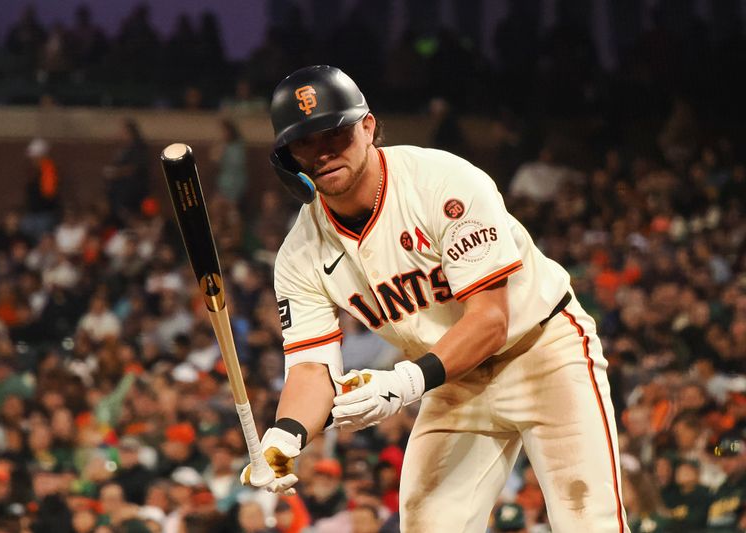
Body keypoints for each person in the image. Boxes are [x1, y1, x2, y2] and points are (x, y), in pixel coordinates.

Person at [240, 64, 628, 532]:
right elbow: (311, 368)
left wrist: (404, 383)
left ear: (368, 127)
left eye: (335, 133)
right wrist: (288, 433)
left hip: (542, 352)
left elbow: (490, 320)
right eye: (305, 141)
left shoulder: (441, 182)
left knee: (590, 522)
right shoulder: (299, 253)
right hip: (451, 380)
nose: (321, 152)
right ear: (288, 158)